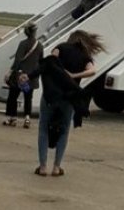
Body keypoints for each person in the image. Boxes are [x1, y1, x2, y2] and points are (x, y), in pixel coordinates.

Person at [36, 30, 105, 177]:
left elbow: (51, 62)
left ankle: (42, 167)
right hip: (69, 98)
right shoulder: (85, 57)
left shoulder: (60, 48)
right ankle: (56, 167)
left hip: (51, 95)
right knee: (64, 130)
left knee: (43, 128)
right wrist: (74, 76)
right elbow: (92, 71)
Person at [3, 23, 43, 128]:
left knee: (13, 97)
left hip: (20, 76)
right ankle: (27, 118)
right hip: (31, 77)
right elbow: (41, 61)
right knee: (28, 98)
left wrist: (10, 71)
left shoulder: (23, 44)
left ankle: (13, 118)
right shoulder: (39, 45)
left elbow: (18, 60)